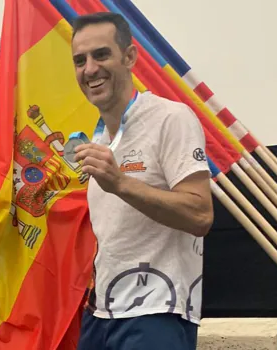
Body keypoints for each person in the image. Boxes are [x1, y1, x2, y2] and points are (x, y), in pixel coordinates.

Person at [69, 12, 214, 350]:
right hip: (100, 313)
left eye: (101, 54)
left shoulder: (171, 117)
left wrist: (120, 183)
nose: (89, 69)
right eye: (80, 60)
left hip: (158, 310)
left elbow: (200, 215)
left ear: (130, 57)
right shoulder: (100, 137)